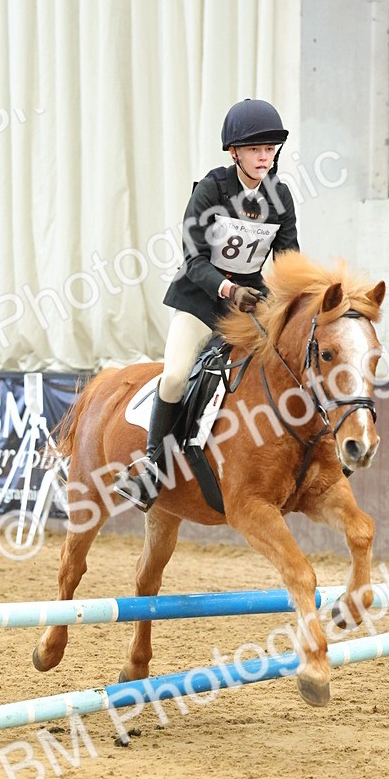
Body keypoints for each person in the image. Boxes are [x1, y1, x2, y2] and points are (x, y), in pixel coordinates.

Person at [114, 97, 300, 511]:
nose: (264, 157)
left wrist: (300, 301)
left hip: (252, 304)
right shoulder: (212, 190)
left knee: (291, 362)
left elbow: (288, 259)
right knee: (177, 376)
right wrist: (230, 291)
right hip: (202, 299)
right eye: (255, 149)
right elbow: (194, 260)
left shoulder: (281, 197)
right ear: (234, 152)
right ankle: (151, 468)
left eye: (270, 150)